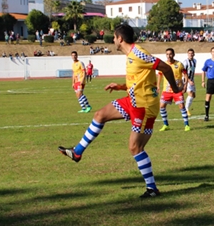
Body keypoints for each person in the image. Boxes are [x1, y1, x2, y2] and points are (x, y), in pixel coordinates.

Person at [58, 23, 182, 198]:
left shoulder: (138, 53)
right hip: (132, 100)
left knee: (135, 148)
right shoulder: (130, 55)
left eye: (114, 37)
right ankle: (77, 152)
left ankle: (152, 189)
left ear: (120, 39)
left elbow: (166, 67)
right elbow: (141, 79)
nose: (113, 40)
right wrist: (121, 86)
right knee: (99, 115)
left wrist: (176, 89)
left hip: (144, 106)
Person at [158, 48, 191, 132]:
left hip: (177, 90)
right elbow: (160, 75)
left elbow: (185, 74)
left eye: (170, 54)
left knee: (182, 106)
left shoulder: (179, 64)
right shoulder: (164, 64)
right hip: (166, 90)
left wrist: (185, 85)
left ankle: (186, 125)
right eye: (167, 54)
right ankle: (166, 125)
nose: (169, 56)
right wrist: (158, 85)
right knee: (161, 106)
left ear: (173, 54)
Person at [182, 49, 197, 115]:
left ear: (194, 54)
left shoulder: (195, 61)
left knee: (193, 95)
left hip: (192, 80)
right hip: (186, 80)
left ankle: (185, 107)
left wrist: (192, 80)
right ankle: (186, 109)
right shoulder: (185, 62)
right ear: (187, 54)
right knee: (190, 94)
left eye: (192, 53)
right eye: (189, 53)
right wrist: (188, 80)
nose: (191, 54)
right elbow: (183, 72)